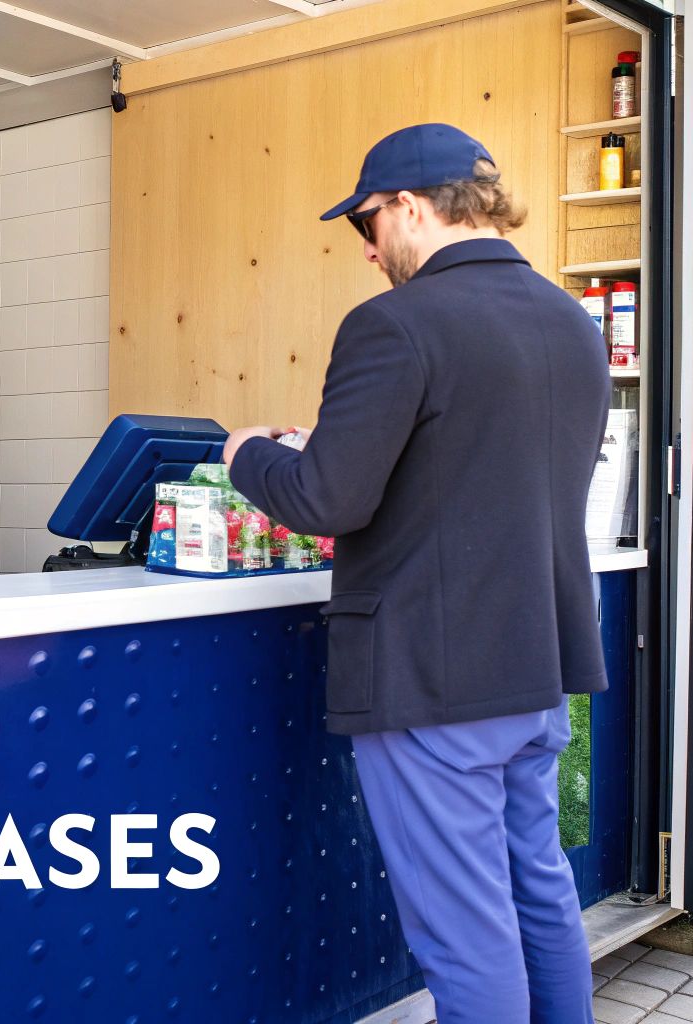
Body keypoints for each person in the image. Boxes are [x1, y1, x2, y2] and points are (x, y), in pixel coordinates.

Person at [223, 124, 610, 1023]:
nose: (367, 251)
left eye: (366, 224)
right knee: (538, 894)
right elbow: (476, 473)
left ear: (408, 204)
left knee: (465, 934)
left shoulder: (393, 324)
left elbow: (325, 501)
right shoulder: (569, 322)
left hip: (433, 682)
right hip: (538, 671)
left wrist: (249, 455)